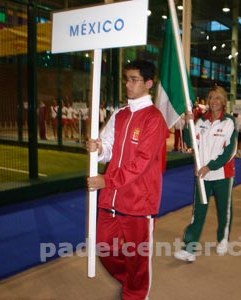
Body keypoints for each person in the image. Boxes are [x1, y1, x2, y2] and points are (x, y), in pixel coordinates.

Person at [86, 60, 168, 300]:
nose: (128, 84)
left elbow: (141, 163)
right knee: (104, 248)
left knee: (137, 257)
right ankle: (130, 281)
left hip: (138, 200)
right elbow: (109, 148)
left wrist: (106, 181)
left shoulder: (154, 119)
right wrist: (98, 148)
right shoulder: (120, 114)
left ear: (149, 83)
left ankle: (136, 294)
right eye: (126, 79)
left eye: (134, 80)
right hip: (110, 198)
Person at [174, 85, 237, 262]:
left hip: (222, 175)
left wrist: (210, 166)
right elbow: (190, 142)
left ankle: (223, 238)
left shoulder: (229, 122)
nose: (214, 101)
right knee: (198, 211)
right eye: (211, 97)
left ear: (224, 101)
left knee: (224, 209)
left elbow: (230, 151)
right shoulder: (201, 121)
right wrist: (189, 123)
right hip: (202, 175)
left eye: (218, 98)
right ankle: (190, 248)